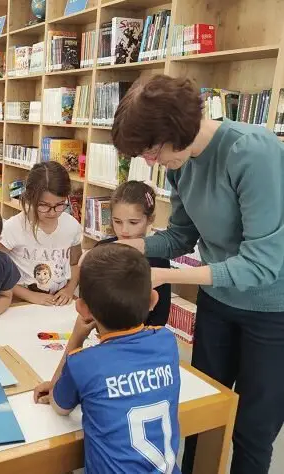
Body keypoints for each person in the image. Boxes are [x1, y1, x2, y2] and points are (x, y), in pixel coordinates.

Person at [111, 74, 284, 474]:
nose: (150, 162)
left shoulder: (251, 152)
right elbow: (180, 237)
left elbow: (261, 263)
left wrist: (166, 278)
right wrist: (131, 247)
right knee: (202, 411)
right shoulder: (180, 165)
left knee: (252, 433)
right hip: (219, 303)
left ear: (178, 128)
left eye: (152, 150)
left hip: (273, 310)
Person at [34, 244, 180, 474]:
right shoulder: (167, 341)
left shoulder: (84, 363)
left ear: (82, 309)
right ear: (153, 300)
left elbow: (58, 406)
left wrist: (76, 338)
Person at [0, 161, 82, 306]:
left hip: (57, 303)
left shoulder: (72, 226)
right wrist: (30, 295)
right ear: (30, 198)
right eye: (44, 205)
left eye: (60, 204)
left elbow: (75, 264)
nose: (53, 212)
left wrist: (69, 289)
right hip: (20, 303)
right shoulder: (13, 227)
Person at [97, 181, 171, 326]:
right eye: (117, 221)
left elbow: (160, 315)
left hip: (141, 337)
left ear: (150, 219)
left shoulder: (158, 258)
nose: (124, 230)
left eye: (133, 222)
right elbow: (89, 301)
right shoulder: (101, 250)